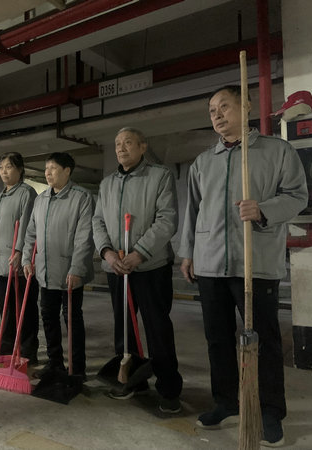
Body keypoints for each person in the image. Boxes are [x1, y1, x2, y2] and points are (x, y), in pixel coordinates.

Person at [178, 85, 308, 447]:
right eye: (212, 110)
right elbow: (193, 211)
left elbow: (298, 196)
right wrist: (188, 252)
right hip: (210, 263)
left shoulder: (276, 151)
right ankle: (226, 402)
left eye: (224, 106)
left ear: (246, 105)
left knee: (263, 342)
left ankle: (269, 411)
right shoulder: (204, 162)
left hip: (256, 262)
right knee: (217, 339)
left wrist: (263, 210)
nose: (217, 115)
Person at [92, 127, 183, 413]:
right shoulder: (107, 184)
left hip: (151, 268)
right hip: (117, 268)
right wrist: (107, 253)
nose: (121, 148)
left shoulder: (159, 176)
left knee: (158, 329)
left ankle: (169, 390)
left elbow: (167, 220)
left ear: (143, 147)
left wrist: (139, 253)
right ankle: (132, 380)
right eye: (117, 143)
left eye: (128, 142)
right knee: (124, 330)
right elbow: (98, 221)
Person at [22, 152, 94, 380]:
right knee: (48, 317)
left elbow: (85, 237)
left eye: (53, 168)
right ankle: (55, 364)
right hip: (45, 271)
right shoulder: (41, 199)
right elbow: (31, 233)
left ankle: (77, 368)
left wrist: (77, 268)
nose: (47, 173)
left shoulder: (81, 197)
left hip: (70, 271)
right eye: (46, 169)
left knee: (72, 319)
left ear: (67, 171)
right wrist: (26, 259)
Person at [0, 152, 39, 364]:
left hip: (18, 261)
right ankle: (7, 348)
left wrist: (19, 251)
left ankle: (28, 351)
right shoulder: (0, 196)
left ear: (20, 169)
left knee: (24, 309)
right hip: (0, 261)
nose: (4, 172)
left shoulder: (27, 193)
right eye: (1, 168)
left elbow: (27, 226)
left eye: (8, 167)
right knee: (6, 309)